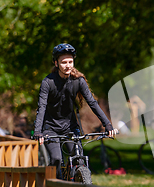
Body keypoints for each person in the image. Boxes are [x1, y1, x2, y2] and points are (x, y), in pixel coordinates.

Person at [33, 43, 117, 178]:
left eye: (70, 62)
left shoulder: (78, 81)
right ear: (56, 63)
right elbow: (41, 107)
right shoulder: (47, 82)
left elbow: (92, 103)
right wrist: (38, 131)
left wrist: (107, 124)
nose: (68, 65)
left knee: (79, 159)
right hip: (51, 128)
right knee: (56, 159)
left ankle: (79, 183)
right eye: (63, 62)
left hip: (70, 127)